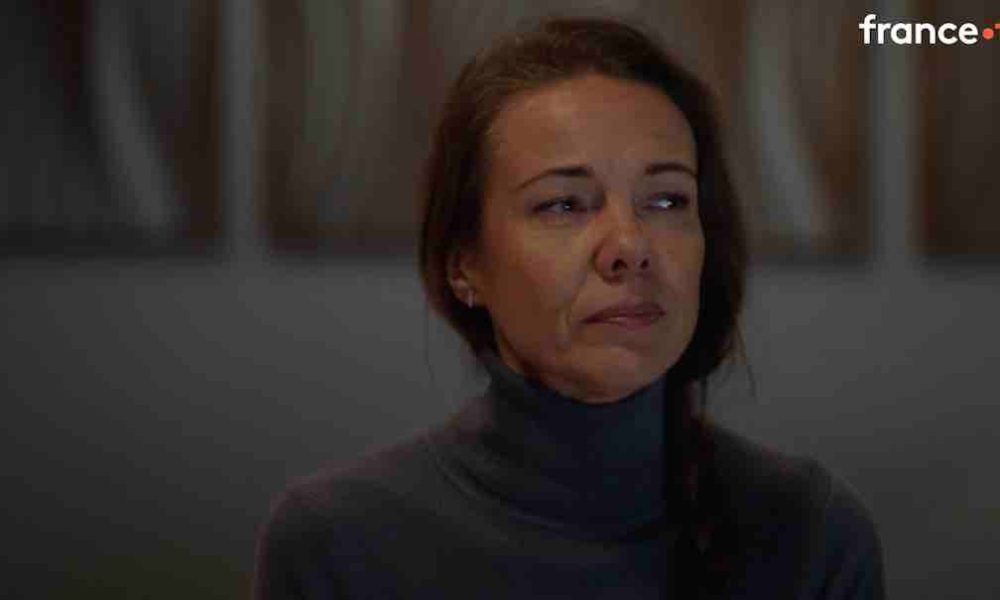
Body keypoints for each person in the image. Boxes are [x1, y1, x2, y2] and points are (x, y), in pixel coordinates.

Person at [253, 17, 884, 599]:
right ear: (463, 263)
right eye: (563, 204)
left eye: (667, 201)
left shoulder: (812, 536)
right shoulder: (336, 545)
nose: (630, 246)